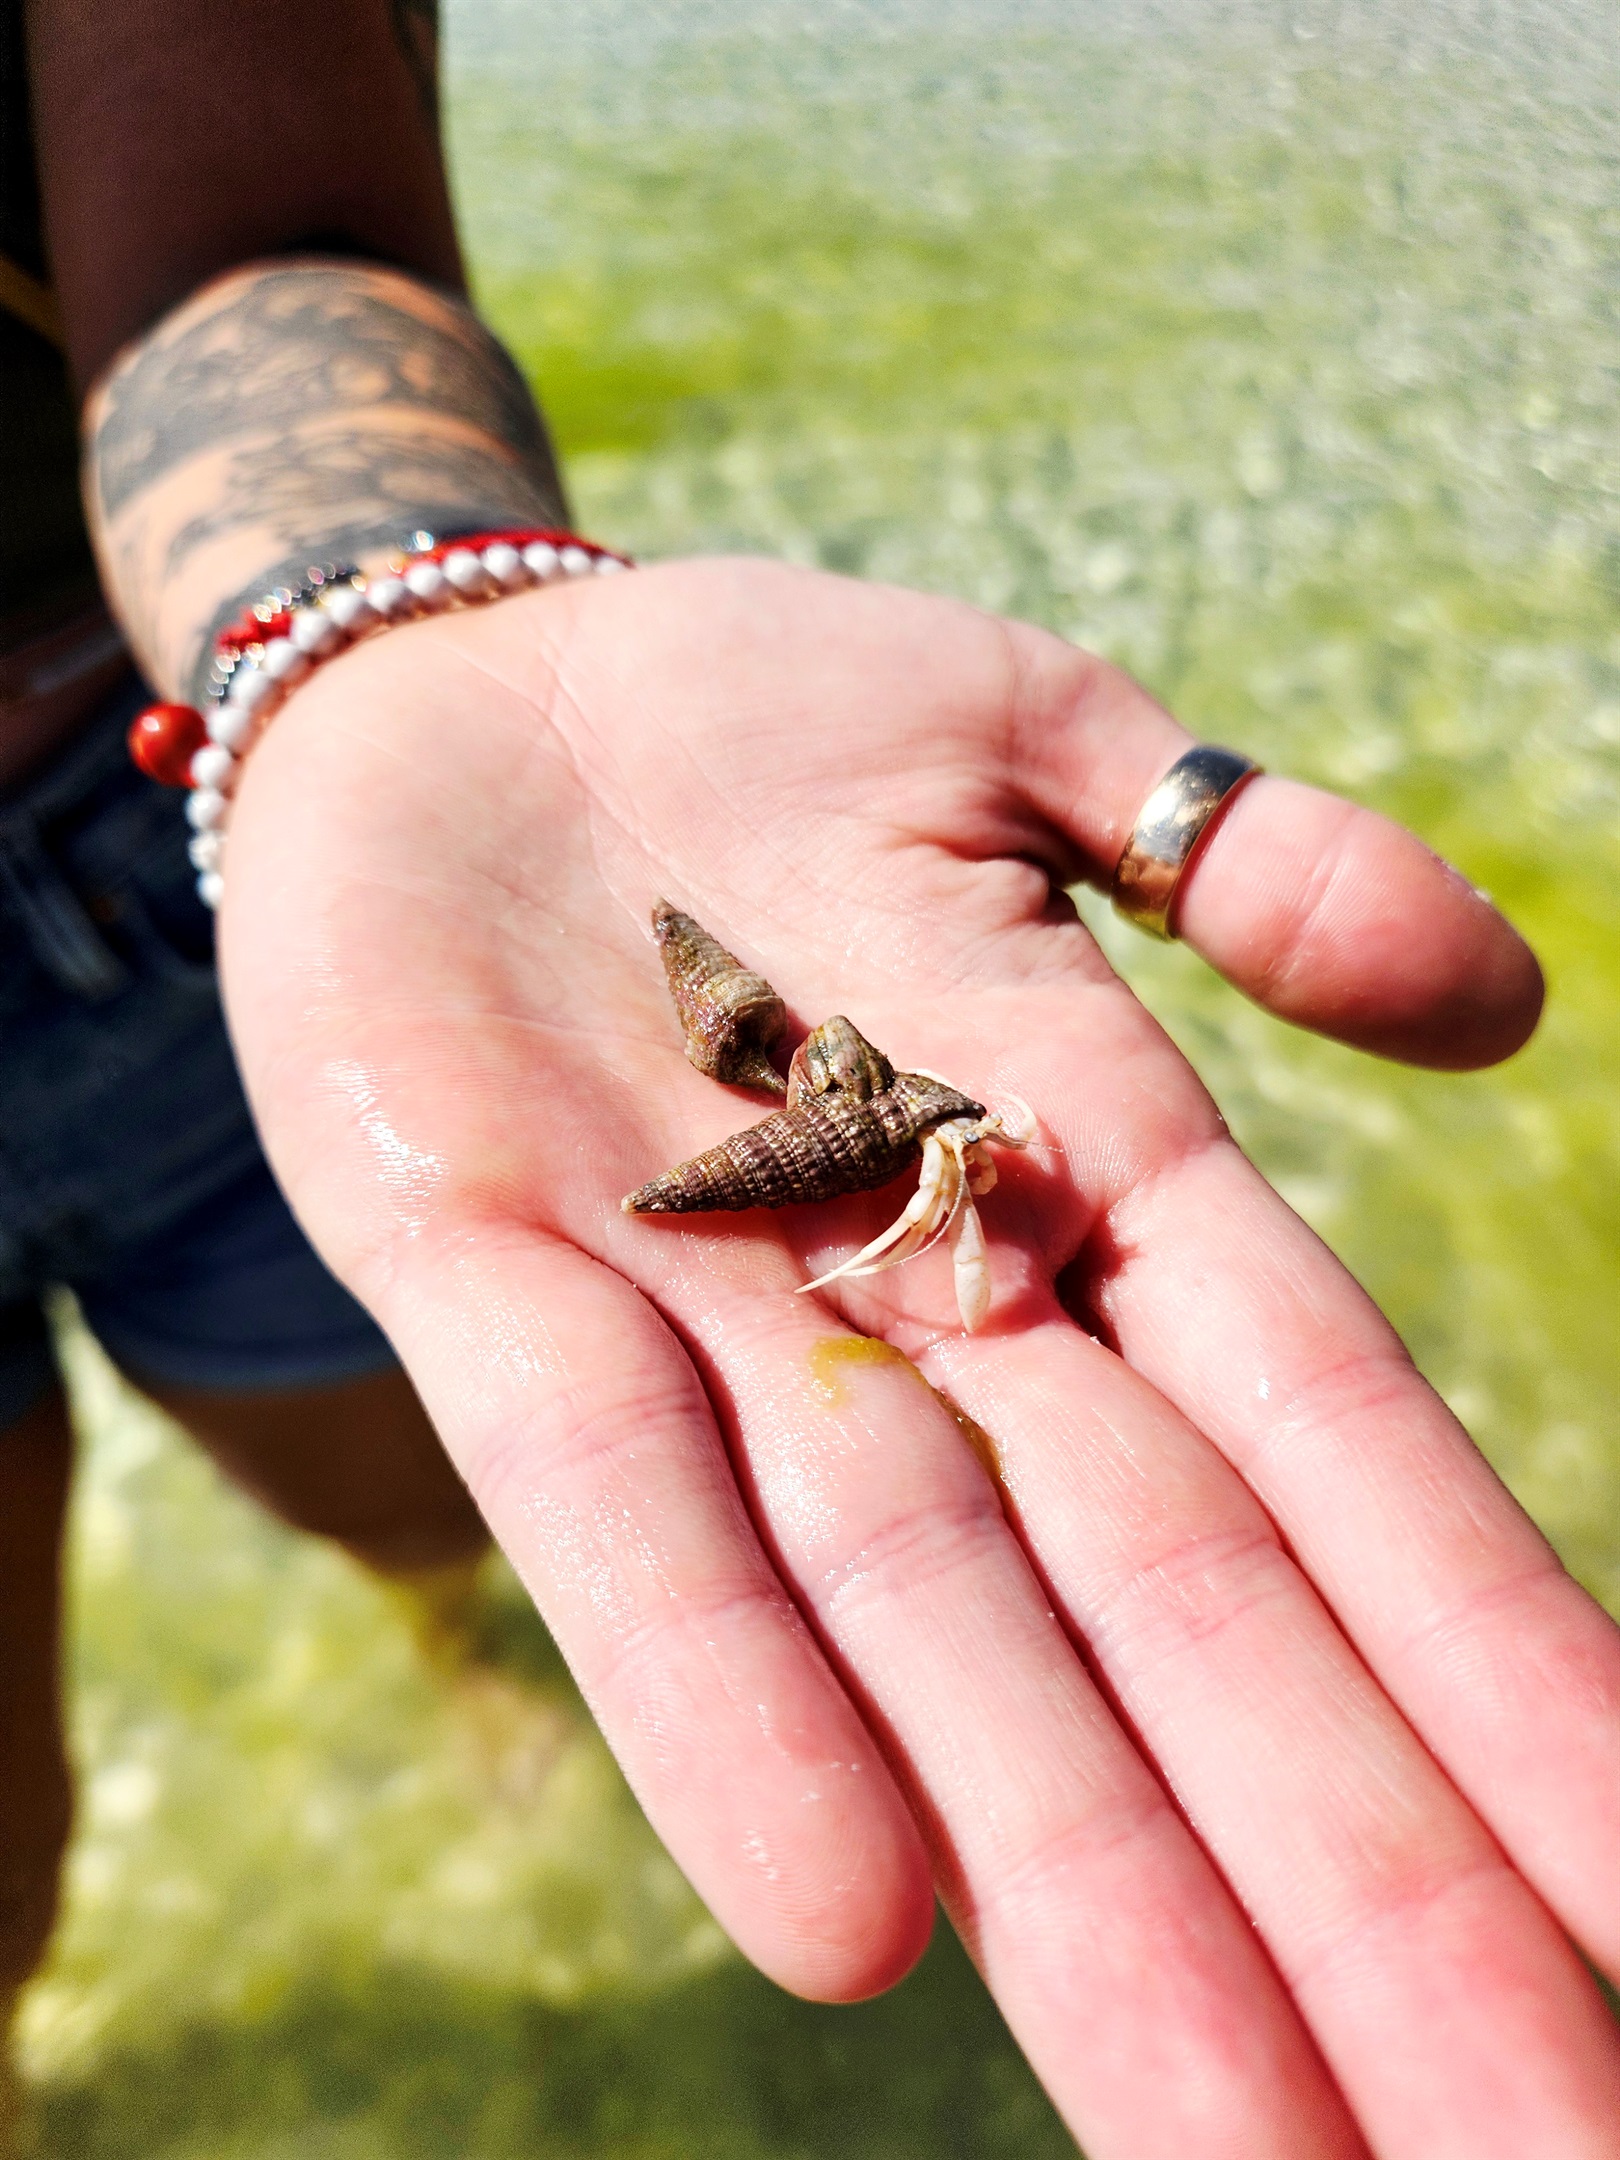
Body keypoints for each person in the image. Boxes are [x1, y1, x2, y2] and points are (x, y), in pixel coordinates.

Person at [5, 3, 1619, 2154]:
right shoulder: (838, 1118)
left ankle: (443, 1641)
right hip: (287, 906)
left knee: (386, 1490)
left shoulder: (846, 1097)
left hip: (209, 874)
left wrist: (371, 626)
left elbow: (254, 225)